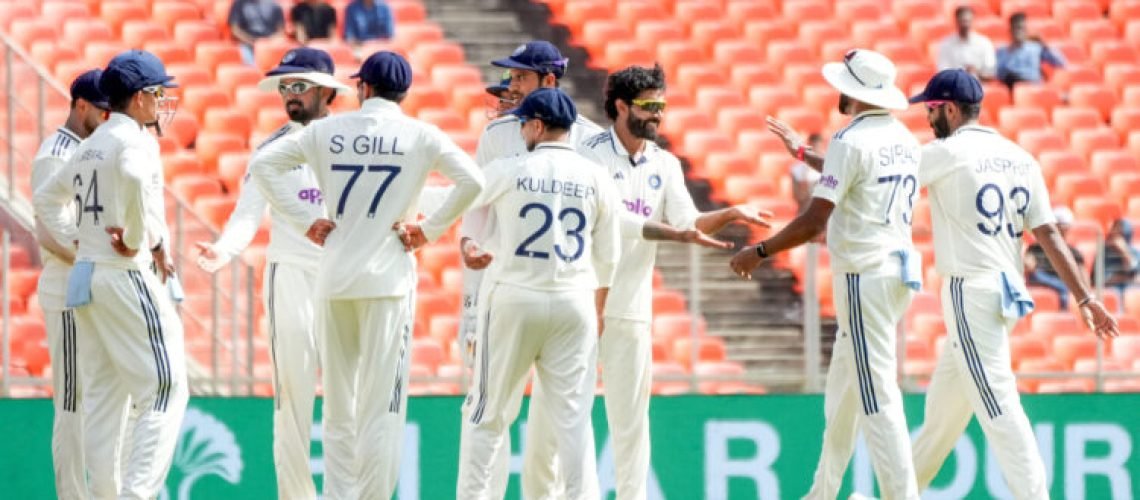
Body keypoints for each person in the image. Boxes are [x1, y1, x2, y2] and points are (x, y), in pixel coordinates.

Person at [251, 50, 484, 499]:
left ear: (363, 88)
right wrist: (427, 231)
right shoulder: (421, 135)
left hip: (334, 279)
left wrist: (304, 218)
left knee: (339, 408)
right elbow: (472, 181)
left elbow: (263, 166)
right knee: (381, 409)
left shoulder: (325, 131)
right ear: (404, 92)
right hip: (388, 283)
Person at [906, 68, 1119, 498]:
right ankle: (897, 492)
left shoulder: (947, 153)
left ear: (949, 108)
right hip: (1005, 294)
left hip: (971, 294)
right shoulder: (1019, 156)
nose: (928, 119)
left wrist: (817, 159)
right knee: (943, 419)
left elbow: (881, 173)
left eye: (930, 109)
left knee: (999, 405)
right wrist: (1086, 297)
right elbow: (1049, 234)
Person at [729, 49, 921, 499]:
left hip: (863, 276)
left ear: (849, 91)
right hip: (897, 274)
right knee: (843, 394)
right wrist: (801, 150)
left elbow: (815, 220)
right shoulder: (904, 139)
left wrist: (759, 250)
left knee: (876, 397)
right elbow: (853, 171)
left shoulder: (850, 140)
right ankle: (823, 492)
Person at [579, 64, 771, 500]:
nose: (658, 115)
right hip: (583, 303)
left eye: (662, 106)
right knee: (572, 414)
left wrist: (730, 212)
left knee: (631, 422)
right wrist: (670, 231)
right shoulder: (589, 155)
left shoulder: (664, 164)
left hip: (631, 307)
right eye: (649, 106)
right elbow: (612, 221)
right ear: (622, 106)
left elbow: (687, 222)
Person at [194, 47, 349, 499]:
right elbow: (247, 213)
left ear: (325, 90)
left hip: (344, 276)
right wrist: (225, 249)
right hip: (292, 274)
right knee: (293, 395)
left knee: (347, 397)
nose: (289, 95)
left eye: (298, 85)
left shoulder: (350, 141)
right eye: (285, 87)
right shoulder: (272, 148)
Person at [453, 87, 619, 500]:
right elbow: (609, 253)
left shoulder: (512, 167)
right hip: (575, 301)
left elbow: (464, 193)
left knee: (486, 415)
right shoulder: (595, 175)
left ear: (539, 125)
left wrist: (454, 237)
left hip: (515, 296)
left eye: (525, 121)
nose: (521, 128)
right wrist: (597, 307)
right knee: (574, 423)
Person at [34, 50, 185, 499]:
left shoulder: (91, 143)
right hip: (124, 272)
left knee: (102, 401)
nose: (162, 103)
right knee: (165, 390)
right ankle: (136, 494)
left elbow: (46, 200)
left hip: (91, 276)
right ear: (138, 98)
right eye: (158, 93)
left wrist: (82, 240)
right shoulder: (134, 140)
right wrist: (141, 238)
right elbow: (136, 179)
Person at [30, 68, 109, 500]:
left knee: (94, 400)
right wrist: (90, 257)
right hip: (67, 289)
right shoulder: (56, 153)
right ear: (80, 106)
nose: (108, 116)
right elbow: (46, 229)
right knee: (73, 404)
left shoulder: (88, 149)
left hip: (91, 286)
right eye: (102, 109)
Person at [1024, 206, 1085, 308]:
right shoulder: (1035, 247)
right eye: (1061, 226)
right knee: (1064, 289)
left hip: (1060, 280)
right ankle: (1064, 313)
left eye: (1065, 227)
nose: (1064, 230)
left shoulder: (1073, 252)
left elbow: (1082, 276)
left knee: (1066, 288)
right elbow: (1029, 264)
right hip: (1038, 277)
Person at [996, 12, 1065, 91]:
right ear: (1010, 30)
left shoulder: (1036, 48)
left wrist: (1045, 44)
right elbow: (999, 75)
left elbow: (1060, 62)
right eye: (1017, 28)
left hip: (1034, 86)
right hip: (1013, 88)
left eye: (1022, 28)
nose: (1020, 32)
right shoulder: (1003, 51)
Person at [937, 6, 997, 80]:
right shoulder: (946, 44)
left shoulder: (984, 43)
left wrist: (976, 71)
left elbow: (990, 71)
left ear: (973, 21)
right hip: (954, 86)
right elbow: (943, 71)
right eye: (962, 21)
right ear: (956, 22)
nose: (965, 25)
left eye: (968, 21)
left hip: (980, 84)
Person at [228, 0, 286, 66]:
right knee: (249, 59)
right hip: (247, 44)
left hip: (270, 44)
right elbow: (235, 30)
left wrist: (267, 42)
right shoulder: (239, 4)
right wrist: (254, 43)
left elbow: (281, 31)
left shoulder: (274, 4)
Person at [792, 132, 825, 213]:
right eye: (814, 146)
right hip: (806, 212)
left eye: (818, 146)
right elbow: (798, 196)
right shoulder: (798, 171)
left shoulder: (829, 167)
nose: (816, 149)